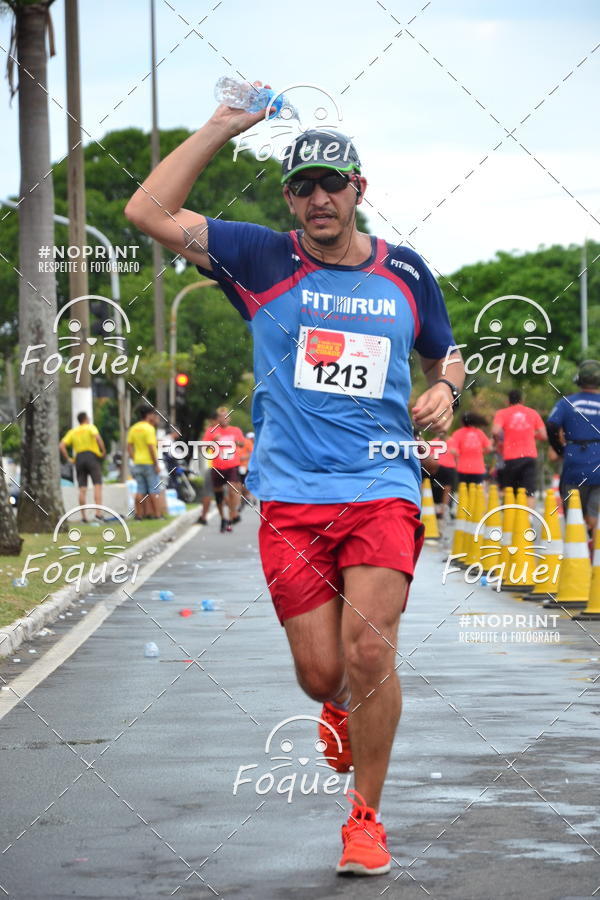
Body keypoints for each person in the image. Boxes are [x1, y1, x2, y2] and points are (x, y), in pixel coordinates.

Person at [125, 95, 464, 876]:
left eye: (333, 184)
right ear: (289, 198)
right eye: (304, 186)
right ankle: (336, 708)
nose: (319, 199)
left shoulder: (405, 270)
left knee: (369, 652)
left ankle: (367, 821)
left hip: (383, 482)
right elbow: (148, 210)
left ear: (359, 188)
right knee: (321, 672)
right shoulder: (258, 257)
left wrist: (447, 388)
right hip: (291, 494)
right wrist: (221, 127)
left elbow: (447, 351)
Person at [547, 359, 600, 533]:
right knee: (595, 513)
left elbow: (552, 425)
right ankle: (593, 542)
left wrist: (559, 449)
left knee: (574, 514)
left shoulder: (567, 403)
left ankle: (580, 544)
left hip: (574, 464)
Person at [492, 389, 547, 507]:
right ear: (522, 400)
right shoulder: (532, 413)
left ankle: (511, 516)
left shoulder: (502, 413)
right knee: (529, 489)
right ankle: (529, 518)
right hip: (529, 455)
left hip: (511, 456)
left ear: (508, 401)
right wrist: (531, 434)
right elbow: (543, 435)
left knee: (510, 489)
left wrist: (498, 443)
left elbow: (495, 431)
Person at [202, 406, 244, 533]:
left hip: (232, 465)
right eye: (221, 416)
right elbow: (202, 447)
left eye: (226, 416)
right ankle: (223, 518)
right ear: (218, 418)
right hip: (217, 466)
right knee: (219, 495)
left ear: (229, 418)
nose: (223, 419)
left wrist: (237, 442)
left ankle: (232, 515)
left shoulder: (235, 430)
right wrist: (212, 442)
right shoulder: (211, 430)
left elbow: (242, 443)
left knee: (232, 491)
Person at [59, 412, 106, 522]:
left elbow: (61, 445)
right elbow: (98, 438)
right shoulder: (90, 428)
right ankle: (98, 514)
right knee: (97, 485)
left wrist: (68, 459)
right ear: (86, 419)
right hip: (91, 457)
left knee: (82, 488)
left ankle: (83, 517)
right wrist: (103, 451)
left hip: (79, 458)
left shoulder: (73, 432)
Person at [127, 405, 162, 519]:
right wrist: (156, 464)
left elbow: (129, 446)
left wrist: (134, 458)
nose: (154, 416)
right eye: (153, 414)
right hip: (149, 463)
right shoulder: (149, 428)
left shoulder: (133, 428)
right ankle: (157, 515)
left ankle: (139, 515)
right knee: (153, 490)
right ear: (149, 415)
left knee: (140, 490)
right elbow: (151, 447)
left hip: (138, 463)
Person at [447, 413, 491, 484]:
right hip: (478, 469)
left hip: (463, 469)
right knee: (476, 492)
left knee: (464, 492)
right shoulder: (480, 433)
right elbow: (489, 448)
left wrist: (460, 454)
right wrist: (479, 453)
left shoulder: (458, 433)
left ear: (462, 422)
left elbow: (453, 450)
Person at [238, 431, 255, 506]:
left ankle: (247, 497)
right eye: (251, 438)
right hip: (236, 466)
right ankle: (244, 497)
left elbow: (252, 453)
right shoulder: (234, 441)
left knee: (245, 482)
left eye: (253, 438)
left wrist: (245, 457)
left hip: (245, 466)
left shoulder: (248, 442)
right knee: (239, 483)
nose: (252, 439)